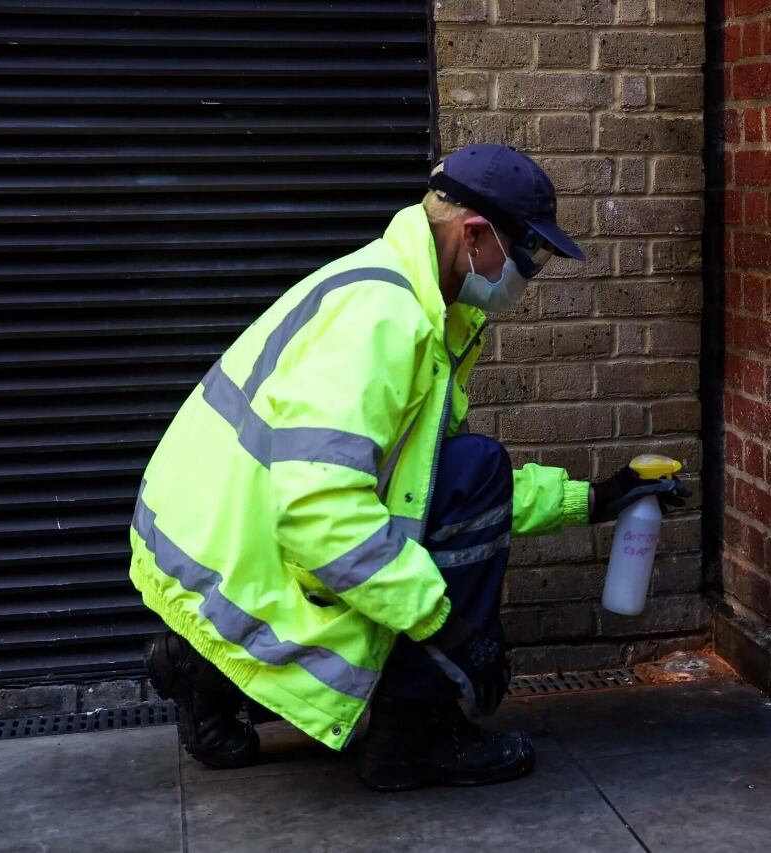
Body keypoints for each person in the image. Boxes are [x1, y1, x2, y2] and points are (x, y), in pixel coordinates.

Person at [132, 143, 690, 791]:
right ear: (475, 234)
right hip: (247, 551)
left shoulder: (414, 299)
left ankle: (204, 667)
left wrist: (597, 496)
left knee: (465, 475)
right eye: (528, 254)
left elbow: (424, 485)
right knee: (471, 475)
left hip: (226, 540)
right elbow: (321, 514)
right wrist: (444, 627)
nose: (529, 273)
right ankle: (416, 736)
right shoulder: (387, 319)